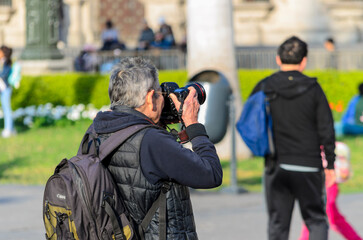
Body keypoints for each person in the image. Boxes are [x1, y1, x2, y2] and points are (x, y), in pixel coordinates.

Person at [90, 57, 222, 239]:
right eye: (160, 94)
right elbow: (212, 174)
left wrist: (163, 131)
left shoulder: (96, 130)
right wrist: (193, 124)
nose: (164, 99)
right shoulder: (152, 141)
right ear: (150, 99)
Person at [249, 36, 336, 240]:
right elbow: (327, 128)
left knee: (278, 225)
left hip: (276, 165)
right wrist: (330, 164)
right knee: (316, 221)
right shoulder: (314, 89)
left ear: (278, 59)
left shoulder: (265, 86)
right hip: (308, 165)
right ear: (304, 61)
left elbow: (250, 119)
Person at [299, 142, 362, 240]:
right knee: (317, 217)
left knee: (326, 218)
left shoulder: (322, 145)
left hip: (329, 184)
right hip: (319, 184)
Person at [0, 45, 16, 138]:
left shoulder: (7, 62)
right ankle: (11, 129)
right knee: (6, 108)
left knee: (7, 109)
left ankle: (8, 129)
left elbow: (3, 75)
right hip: (2, 88)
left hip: (5, 88)